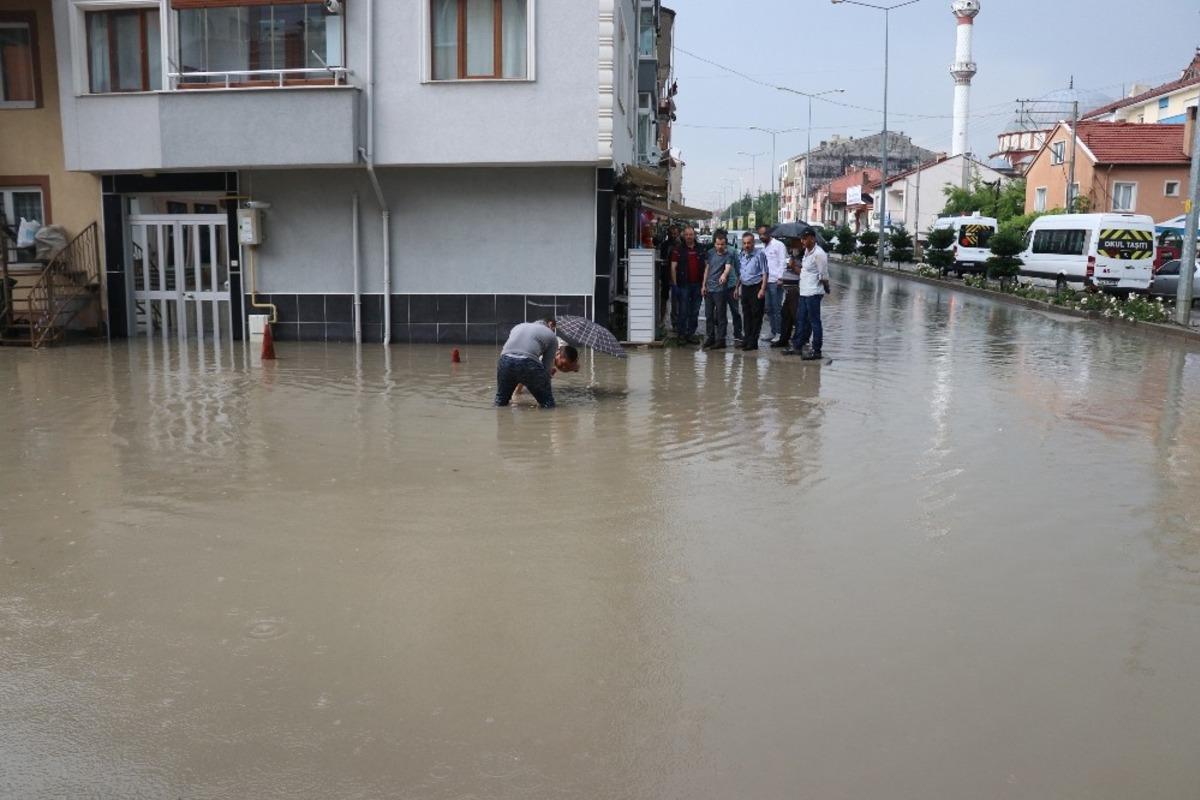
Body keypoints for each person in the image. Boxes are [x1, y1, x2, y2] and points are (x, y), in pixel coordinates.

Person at [494, 320, 580, 408]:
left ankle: (500, 418)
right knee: (548, 405)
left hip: (504, 361)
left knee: (500, 402)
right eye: (562, 365)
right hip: (527, 362)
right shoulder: (551, 337)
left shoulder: (519, 326)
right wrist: (548, 375)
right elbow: (538, 370)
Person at [784, 228, 831, 360]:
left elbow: (824, 276)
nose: (802, 241)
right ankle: (797, 346)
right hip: (804, 291)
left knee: (814, 322)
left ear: (812, 238)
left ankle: (817, 350)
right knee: (801, 319)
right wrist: (793, 267)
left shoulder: (819, 254)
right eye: (802, 239)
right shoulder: (806, 252)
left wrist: (826, 289)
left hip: (814, 293)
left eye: (805, 239)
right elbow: (805, 272)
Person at [701, 232, 737, 349]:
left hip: (720, 290)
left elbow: (727, 268)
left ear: (725, 244)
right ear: (714, 244)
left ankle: (721, 340)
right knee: (709, 315)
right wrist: (703, 285)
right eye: (717, 244)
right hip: (709, 289)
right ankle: (710, 337)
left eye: (722, 244)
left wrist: (724, 275)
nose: (720, 247)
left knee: (721, 316)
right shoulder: (710, 253)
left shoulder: (729, 254)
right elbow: (706, 269)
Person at [669, 226, 705, 344]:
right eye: (687, 235)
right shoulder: (678, 249)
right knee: (683, 311)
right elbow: (673, 268)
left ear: (694, 235)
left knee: (694, 311)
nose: (689, 237)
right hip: (683, 285)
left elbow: (706, 266)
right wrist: (674, 285)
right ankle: (681, 335)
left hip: (698, 285)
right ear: (683, 236)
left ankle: (691, 334)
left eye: (691, 234)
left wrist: (705, 284)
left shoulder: (700, 248)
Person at [735, 232, 768, 351]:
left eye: (749, 243)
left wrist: (762, 289)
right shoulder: (741, 255)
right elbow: (740, 273)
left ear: (753, 242)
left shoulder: (760, 255)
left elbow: (765, 273)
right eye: (744, 243)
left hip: (756, 287)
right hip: (745, 287)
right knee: (746, 314)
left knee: (756, 315)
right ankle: (747, 339)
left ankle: (753, 342)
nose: (746, 245)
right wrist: (736, 287)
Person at [757, 224, 789, 344]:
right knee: (769, 308)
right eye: (760, 234)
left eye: (764, 234)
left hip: (776, 282)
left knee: (776, 308)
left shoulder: (778, 245)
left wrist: (781, 278)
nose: (762, 236)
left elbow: (783, 262)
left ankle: (780, 333)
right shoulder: (763, 247)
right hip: (765, 281)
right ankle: (773, 331)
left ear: (770, 233)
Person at [715, 227, 744, 345]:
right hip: (718, 287)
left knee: (735, 312)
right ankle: (721, 337)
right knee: (719, 313)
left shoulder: (733, 251)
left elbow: (739, 271)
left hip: (732, 286)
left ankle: (738, 335)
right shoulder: (713, 252)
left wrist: (738, 287)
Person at [774, 237, 803, 347]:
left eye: (794, 245)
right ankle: (783, 339)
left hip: (796, 290)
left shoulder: (804, 257)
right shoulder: (792, 256)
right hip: (788, 289)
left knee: (796, 317)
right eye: (791, 245)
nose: (792, 248)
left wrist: (793, 266)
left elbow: (804, 273)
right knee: (785, 315)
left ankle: (799, 342)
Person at [657, 224, 680, 333]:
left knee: (676, 300)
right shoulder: (664, 245)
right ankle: (662, 320)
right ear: (668, 234)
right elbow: (661, 260)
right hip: (666, 275)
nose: (673, 235)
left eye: (675, 233)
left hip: (676, 276)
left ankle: (675, 323)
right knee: (664, 298)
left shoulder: (680, 245)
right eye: (671, 233)